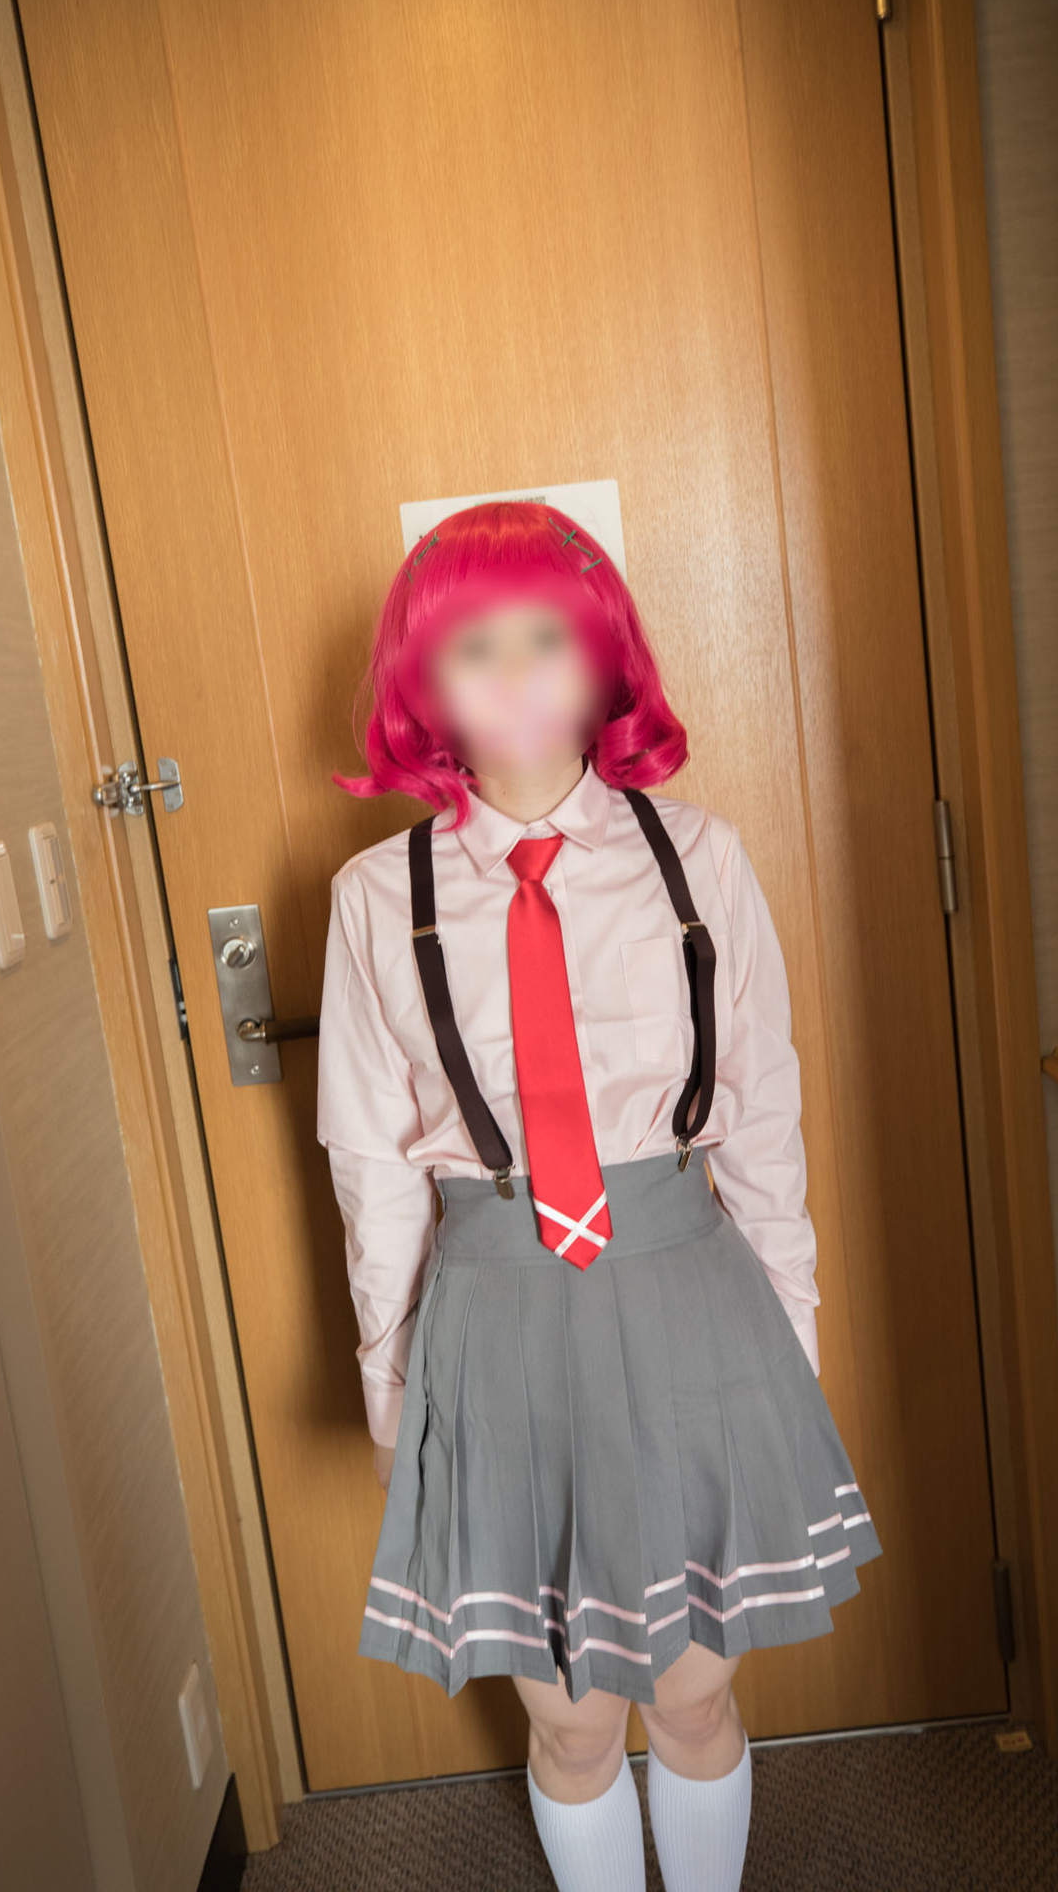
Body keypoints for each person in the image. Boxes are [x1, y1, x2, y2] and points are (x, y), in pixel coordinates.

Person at [317, 499, 882, 1892]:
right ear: (423, 683)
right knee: (573, 1720)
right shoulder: (376, 897)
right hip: (499, 1317)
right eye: (474, 648)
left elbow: (763, 1113)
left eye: (547, 638)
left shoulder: (701, 855)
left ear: (604, 659)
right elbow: (373, 1171)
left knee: (692, 1695)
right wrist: (391, 1392)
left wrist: (794, 1333)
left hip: (694, 1298)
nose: (515, 675)